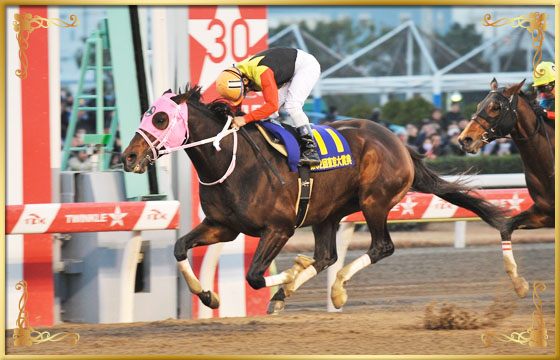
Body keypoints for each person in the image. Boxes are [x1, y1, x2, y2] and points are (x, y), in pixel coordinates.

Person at [215, 47, 321, 166]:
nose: (246, 94)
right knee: (268, 115)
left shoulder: (262, 73)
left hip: (306, 66)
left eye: (245, 92)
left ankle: (311, 149)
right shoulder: (236, 75)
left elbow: (272, 105)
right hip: (290, 67)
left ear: (244, 80)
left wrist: (244, 119)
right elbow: (237, 103)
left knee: (292, 105)